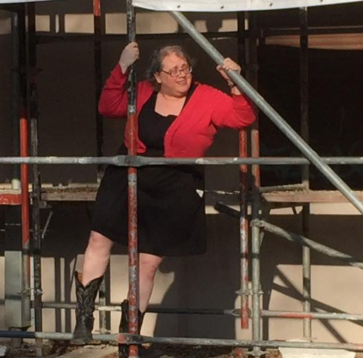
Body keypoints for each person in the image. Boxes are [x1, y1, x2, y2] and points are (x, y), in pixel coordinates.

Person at [72, 42, 256, 350]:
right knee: (98, 239)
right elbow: (108, 106)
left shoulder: (206, 97)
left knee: (147, 263)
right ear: (157, 76)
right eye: (173, 70)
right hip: (129, 174)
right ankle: (84, 319)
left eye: (185, 68)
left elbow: (243, 118)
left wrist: (235, 84)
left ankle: (128, 337)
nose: (182, 75)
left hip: (174, 184)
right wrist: (121, 67)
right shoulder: (142, 91)